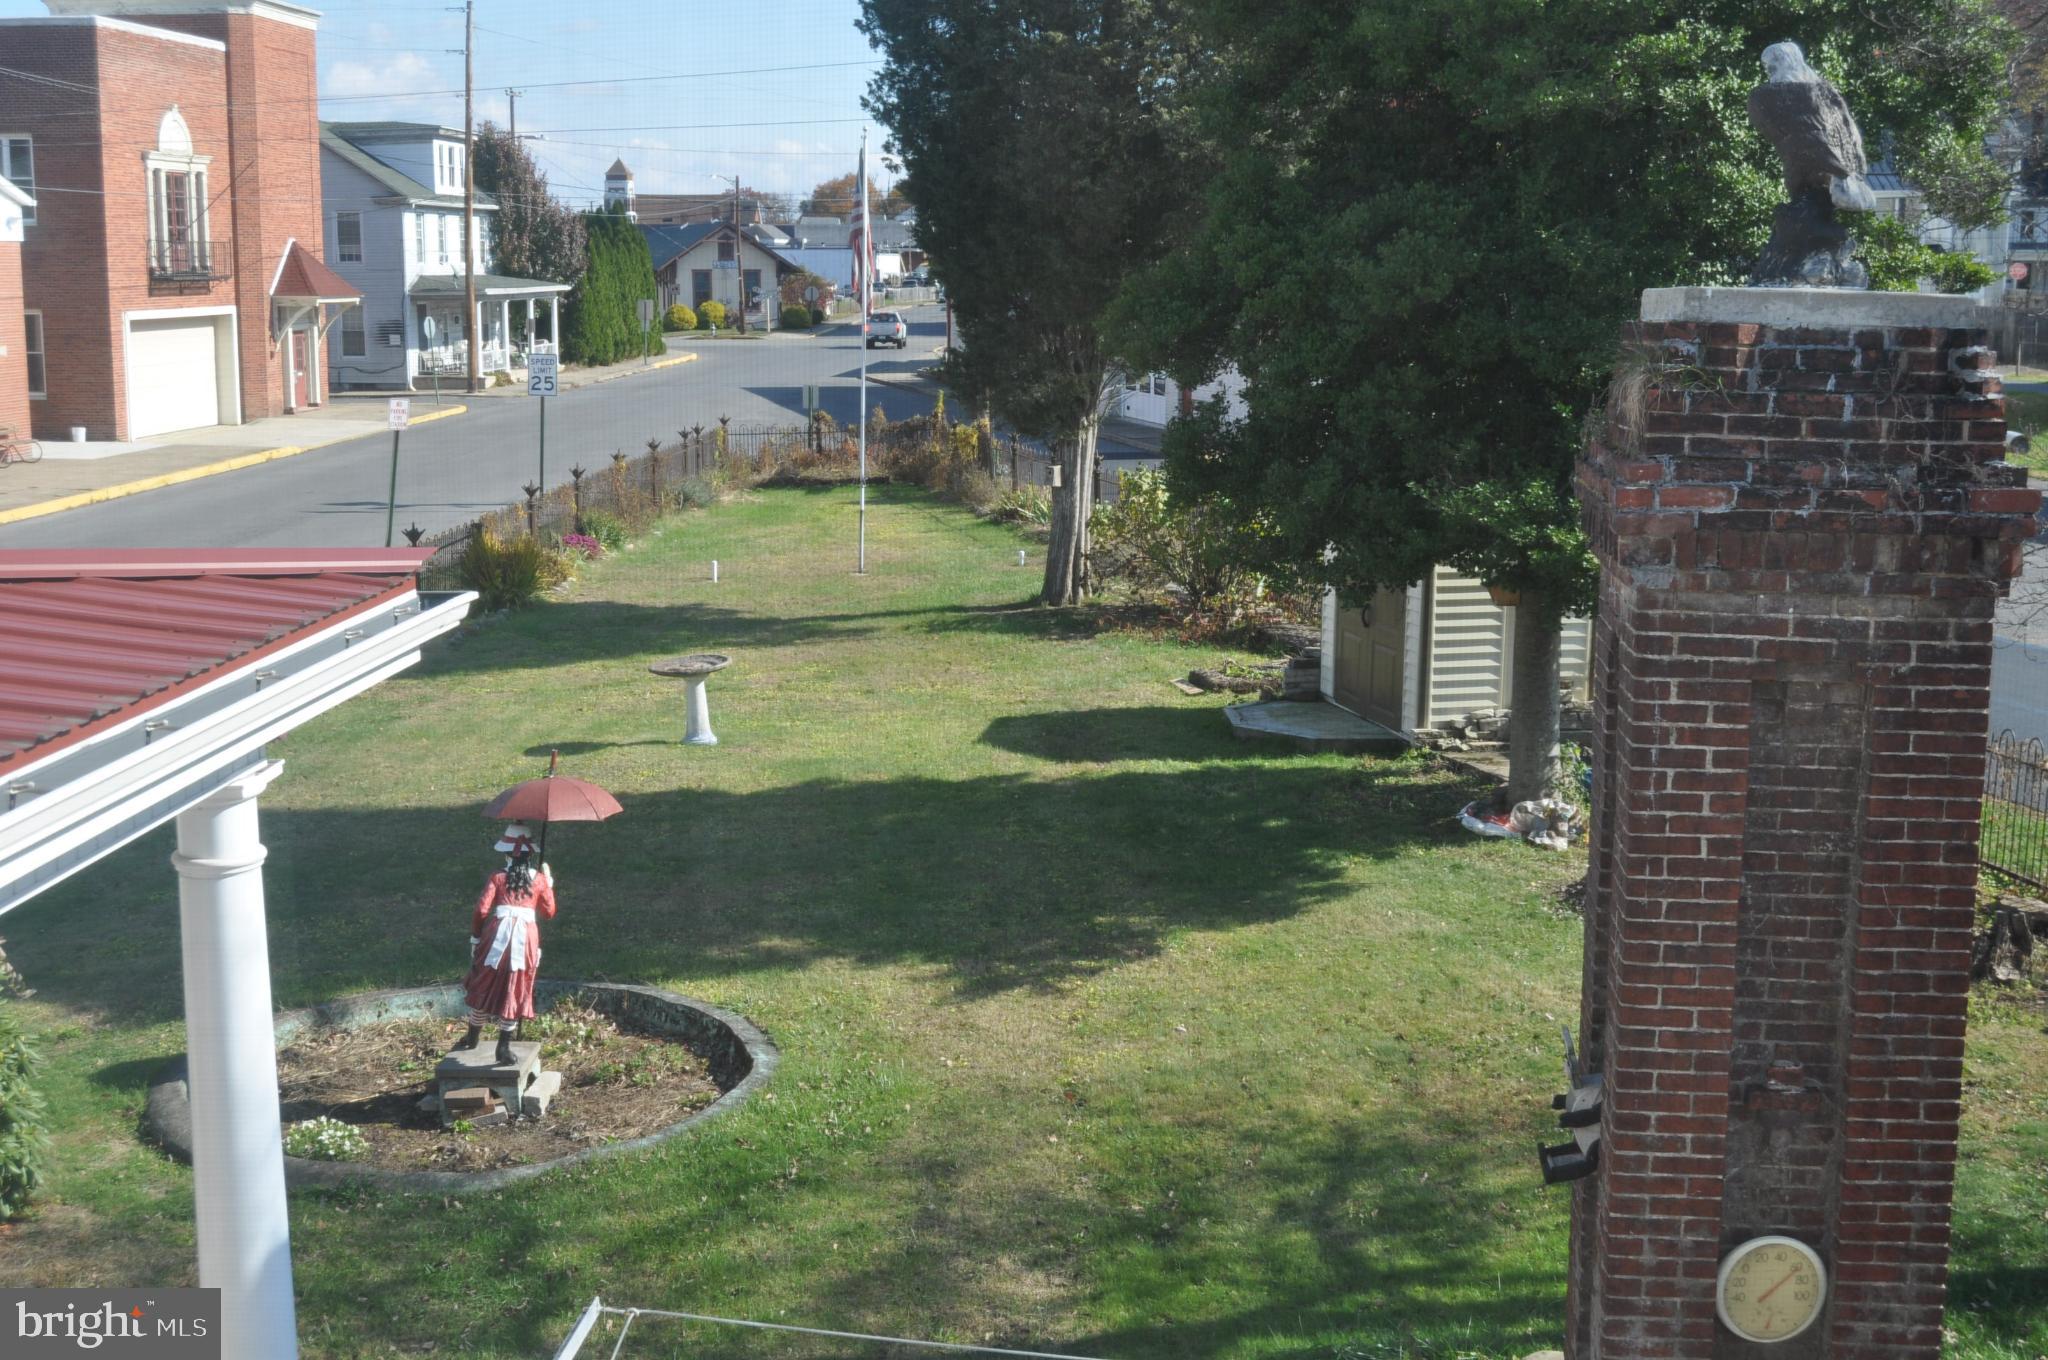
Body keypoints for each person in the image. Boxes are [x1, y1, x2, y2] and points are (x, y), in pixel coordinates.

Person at [461, 823, 557, 1065]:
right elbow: (549, 912)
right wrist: (549, 886)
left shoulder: (498, 877)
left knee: (485, 980)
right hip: (525, 937)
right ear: (531, 855)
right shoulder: (540, 881)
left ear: (506, 853)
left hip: (496, 936)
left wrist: (476, 936)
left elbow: (482, 909)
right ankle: (503, 1047)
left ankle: (472, 1036)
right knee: (516, 985)